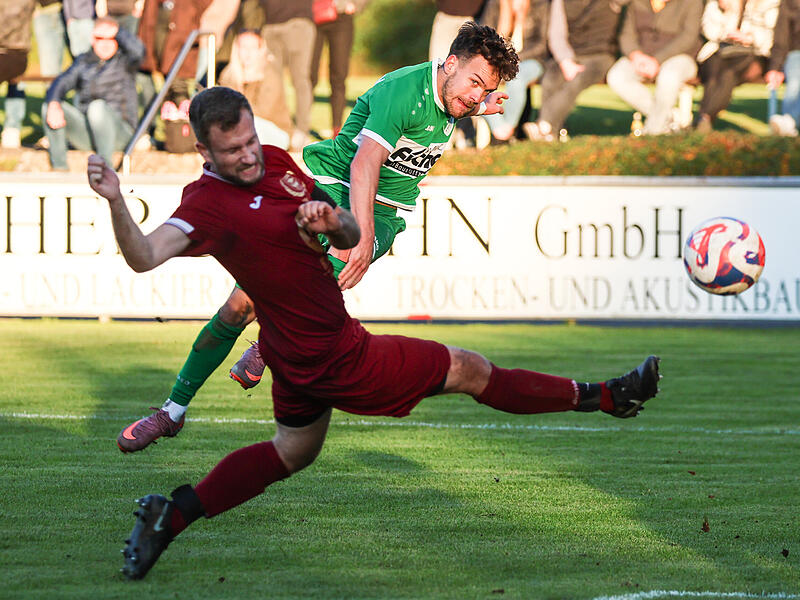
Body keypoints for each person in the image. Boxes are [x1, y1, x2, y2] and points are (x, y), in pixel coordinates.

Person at [85, 86, 662, 579]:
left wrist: (331, 219)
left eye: (251, 140)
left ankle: (170, 516)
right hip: (334, 355)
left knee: (292, 451)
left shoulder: (279, 163)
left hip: (293, 353)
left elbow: (347, 233)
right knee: (469, 369)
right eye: (233, 150)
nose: (248, 156)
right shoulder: (206, 204)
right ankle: (608, 397)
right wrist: (115, 201)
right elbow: (143, 256)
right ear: (203, 151)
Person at [115, 22, 519, 454]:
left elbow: (446, 107)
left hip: (384, 211)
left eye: (485, 89)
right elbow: (364, 164)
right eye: (475, 83)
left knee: (325, 269)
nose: (476, 95)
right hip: (330, 187)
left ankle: (268, 343)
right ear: (450, 63)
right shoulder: (404, 91)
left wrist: (480, 105)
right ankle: (172, 412)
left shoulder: (455, 93)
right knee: (238, 306)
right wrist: (361, 233)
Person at [41, 16, 144, 170]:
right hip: (88, 133)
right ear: (92, 39)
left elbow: (139, 51)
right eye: (100, 38)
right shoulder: (83, 61)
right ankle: (60, 168)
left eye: (110, 38)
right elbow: (61, 82)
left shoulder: (125, 61)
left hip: (121, 133)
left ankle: (104, 168)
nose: (105, 43)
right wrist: (54, 103)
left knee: (97, 107)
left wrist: (118, 32)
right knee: (50, 106)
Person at [524, 0, 627, 141]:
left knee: (577, 81)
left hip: (601, 55)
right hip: (572, 54)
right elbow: (556, 35)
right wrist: (566, 60)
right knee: (550, 79)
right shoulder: (561, 2)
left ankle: (544, 125)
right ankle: (551, 134)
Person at [606, 0, 702, 136]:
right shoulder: (636, 3)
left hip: (680, 57)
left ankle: (653, 132)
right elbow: (626, 34)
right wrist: (635, 55)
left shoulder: (692, 3)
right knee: (617, 76)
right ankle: (670, 117)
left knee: (669, 75)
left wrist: (657, 60)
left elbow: (688, 37)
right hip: (642, 56)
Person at [693, 0, 781, 133]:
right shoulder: (718, 3)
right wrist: (727, 13)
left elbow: (774, 34)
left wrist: (750, 38)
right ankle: (705, 120)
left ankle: (704, 118)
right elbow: (709, 30)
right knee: (714, 72)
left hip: (752, 53)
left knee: (728, 74)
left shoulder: (769, 3)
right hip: (720, 50)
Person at [482, 0, 549, 144]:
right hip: (500, 59)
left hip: (532, 60)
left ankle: (506, 130)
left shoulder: (540, 5)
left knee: (516, 78)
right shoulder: (495, 4)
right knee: (479, 80)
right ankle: (500, 129)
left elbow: (542, 44)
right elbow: (484, 37)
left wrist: (513, 58)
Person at [218, 30, 291, 149]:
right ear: (236, 49)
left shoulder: (270, 74)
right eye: (244, 47)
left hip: (274, 131)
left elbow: (264, 111)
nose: (248, 53)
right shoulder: (229, 75)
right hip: (241, 128)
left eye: (253, 48)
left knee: (250, 125)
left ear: (261, 50)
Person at [260, 0, 316, 151]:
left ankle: (302, 131)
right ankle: (279, 127)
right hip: (270, 24)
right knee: (272, 80)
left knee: (300, 79)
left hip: (297, 23)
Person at [310, 0, 369, 138]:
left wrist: (356, 5)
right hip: (312, 16)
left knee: (338, 77)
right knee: (310, 76)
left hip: (341, 18)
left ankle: (336, 129)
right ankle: (302, 127)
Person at [766, 0, 800, 136]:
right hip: (796, 52)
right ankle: (789, 120)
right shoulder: (790, 3)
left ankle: (788, 121)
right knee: (796, 81)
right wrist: (775, 67)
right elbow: (782, 35)